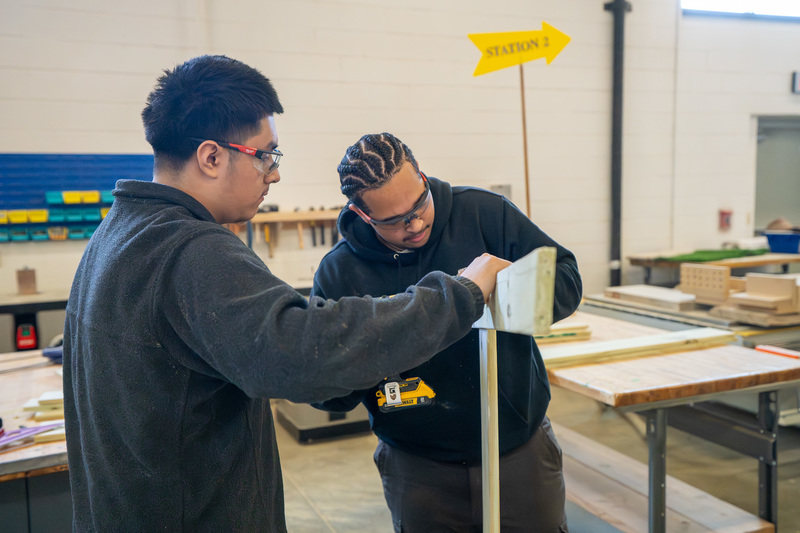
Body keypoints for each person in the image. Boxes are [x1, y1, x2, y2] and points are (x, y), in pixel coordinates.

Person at [62, 56, 511, 532]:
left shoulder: (117, 233)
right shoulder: (192, 251)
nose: (273, 174)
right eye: (265, 155)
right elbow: (305, 352)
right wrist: (462, 294)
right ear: (211, 157)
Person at [312, 132, 583, 532]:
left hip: (518, 449)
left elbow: (567, 280)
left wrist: (519, 288)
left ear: (422, 176)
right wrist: (370, 345)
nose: (416, 222)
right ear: (363, 214)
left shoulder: (484, 214)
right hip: (418, 468)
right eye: (395, 220)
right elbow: (328, 395)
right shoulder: (339, 272)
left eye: (419, 204)